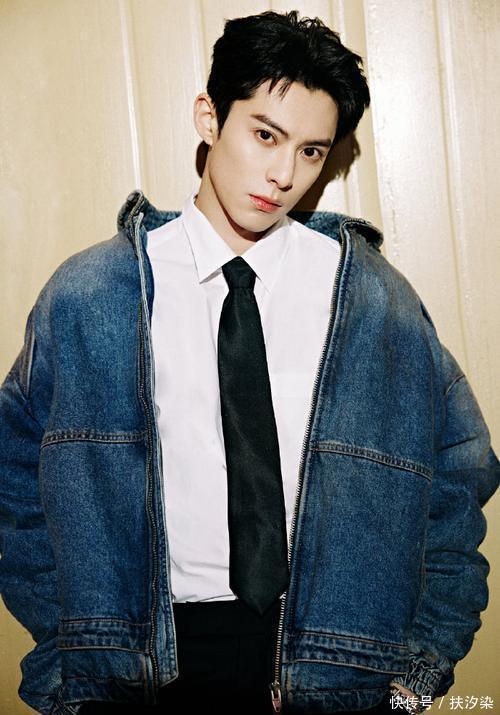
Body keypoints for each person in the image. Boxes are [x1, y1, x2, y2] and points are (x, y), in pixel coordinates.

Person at [0, 9, 498, 715]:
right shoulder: (91, 296)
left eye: (311, 151)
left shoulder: (370, 299)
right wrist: (68, 659)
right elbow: (13, 480)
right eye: (265, 134)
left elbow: (457, 483)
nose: (283, 174)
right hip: (143, 670)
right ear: (209, 117)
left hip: (336, 665)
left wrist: (412, 680)